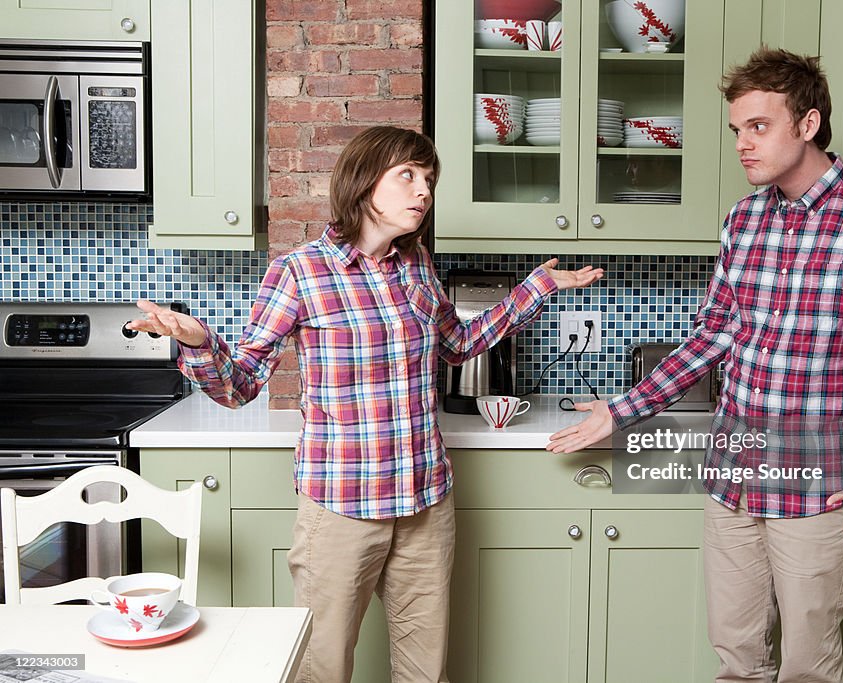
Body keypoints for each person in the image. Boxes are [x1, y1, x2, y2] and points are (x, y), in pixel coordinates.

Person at [127, 126, 603, 683]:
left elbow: (458, 345)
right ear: (362, 181)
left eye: (429, 180)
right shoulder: (300, 271)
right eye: (408, 175)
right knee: (322, 669)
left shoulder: (417, 266)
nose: (423, 191)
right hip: (341, 506)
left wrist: (535, 288)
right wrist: (198, 342)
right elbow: (243, 384)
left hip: (425, 502)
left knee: (426, 674)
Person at [547, 48, 843, 682]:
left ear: (807, 125)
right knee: (736, 661)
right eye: (736, 130)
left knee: (808, 666)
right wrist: (623, 410)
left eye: (758, 126)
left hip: (816, 481)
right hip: (734, 475)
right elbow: (713, 336)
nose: (743, 144)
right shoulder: (744, 219)